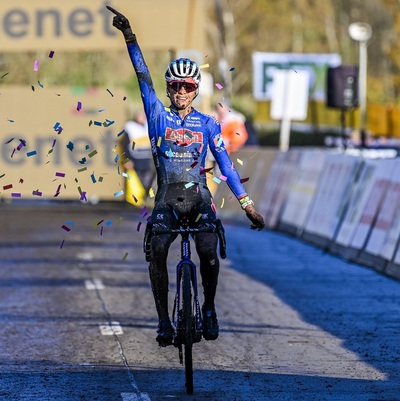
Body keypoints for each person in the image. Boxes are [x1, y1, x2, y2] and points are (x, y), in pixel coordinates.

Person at [107, 6, 265, 347]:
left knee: (208, 250)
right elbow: (142, 75)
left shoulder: (208, 124)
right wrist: (130, 36)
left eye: (187, 86)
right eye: (175, 85)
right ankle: (164, 320)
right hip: (166, 196)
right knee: (159, 250)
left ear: (195, 90)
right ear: (168, 89)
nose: (180, 91)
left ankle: (208, 308)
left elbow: (226, 167)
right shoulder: (156, 115)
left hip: (198, 197)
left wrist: (248, 206)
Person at [123, 110, 155, 193]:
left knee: (148, 182)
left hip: (148, 160)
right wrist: (127, 159)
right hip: (135, 160)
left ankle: (145, 199)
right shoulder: (130, 128)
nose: (143, 118)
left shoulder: (148, 127)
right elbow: (125, 145)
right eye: (141, 116)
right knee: (137, 183)